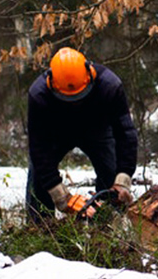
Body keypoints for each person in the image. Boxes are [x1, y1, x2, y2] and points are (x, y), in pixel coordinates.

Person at [25, 47, 138, 223]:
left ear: (90, 75)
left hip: (97, 129)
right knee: (39, 180)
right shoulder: (39, 95)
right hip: (56, 133)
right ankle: (39, 226)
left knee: (112, 172)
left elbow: (126, 134)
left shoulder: (110, 86)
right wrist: (58, 192)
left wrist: (124, 177)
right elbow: (39, 148)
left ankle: (107, 223)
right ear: (52, 84)